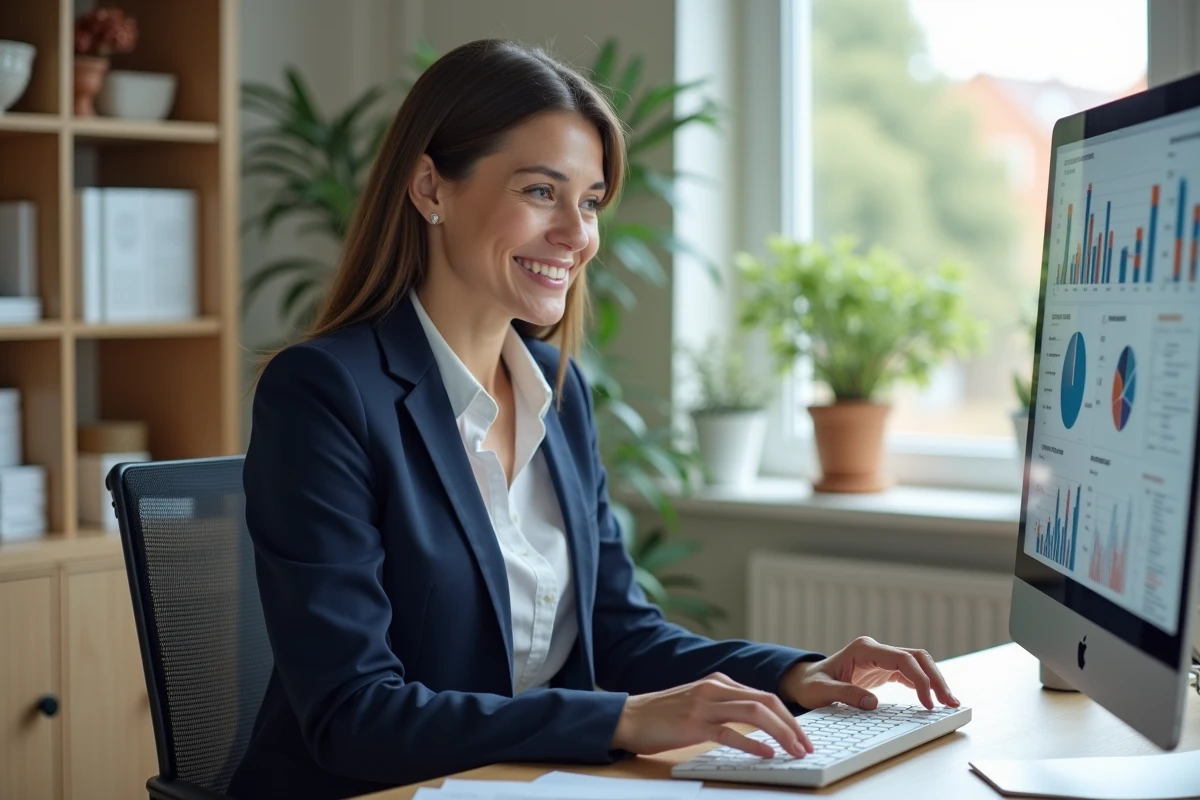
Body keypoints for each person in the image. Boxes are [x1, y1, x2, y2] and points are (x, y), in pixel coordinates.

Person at [228, 38, 959, 800]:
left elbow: (617, 631)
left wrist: (796, 675)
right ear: (429, 188)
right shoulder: (324, 393)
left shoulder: (556, 389)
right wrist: (621, 720)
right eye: (541, 192)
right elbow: (354, 714)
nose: (577, 236)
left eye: (590, 201)